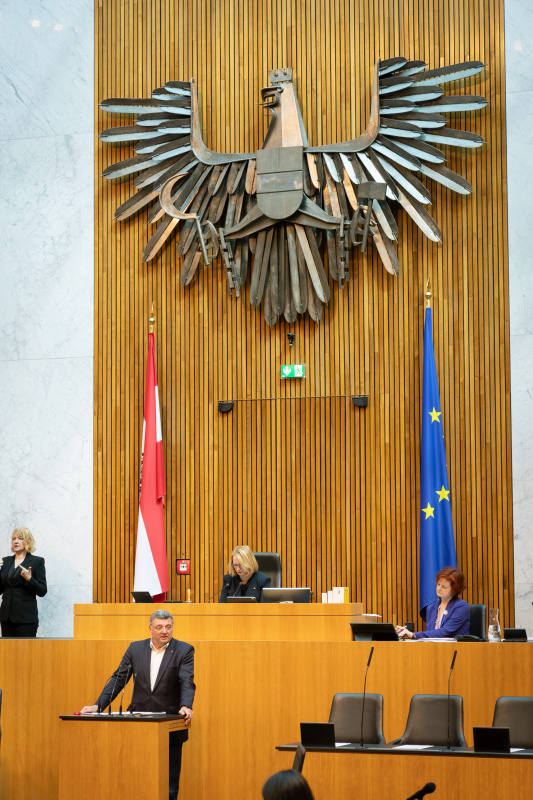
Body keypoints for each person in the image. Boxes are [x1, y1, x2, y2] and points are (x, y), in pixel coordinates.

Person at [80, 609, 195, 799]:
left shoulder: (184, 650)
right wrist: (98, 706)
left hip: (170, 724)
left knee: (169, 787)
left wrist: (186, 705)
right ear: (150, 629)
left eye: (168, 627)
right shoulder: (135, 649)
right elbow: (119, 679)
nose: (164, 631)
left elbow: (187, 680)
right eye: (159, 627)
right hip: (137, 725)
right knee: (135, 779)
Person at [395, 567, 470, 640]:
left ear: (455, 589)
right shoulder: (431, 607)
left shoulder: (461, 607)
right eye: (438, 584)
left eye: (444, 587)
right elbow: (431, 634)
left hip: (456, 649)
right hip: (434, 649)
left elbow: (445, 632)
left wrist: (413, 635)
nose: (439, 589)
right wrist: (406, 633)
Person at [0, 527, 47, 637]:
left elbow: (42, 591)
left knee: (26, 653)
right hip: (6, 617)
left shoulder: (37, 561)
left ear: (27, 541)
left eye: (20, 538)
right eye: (14, 538)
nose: (16, 541)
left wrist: (29, 579)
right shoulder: (5, 561)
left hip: (25, 618)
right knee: (8, 653)